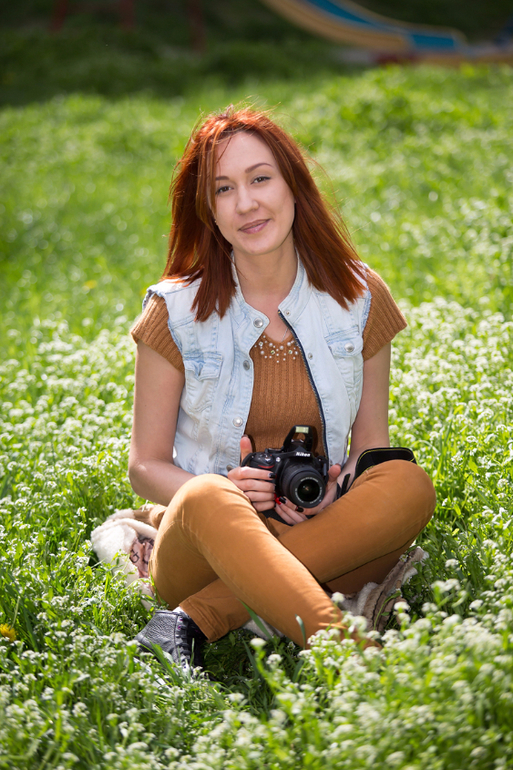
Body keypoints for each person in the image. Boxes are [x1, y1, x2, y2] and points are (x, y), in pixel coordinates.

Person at [129, 106, 436, 672]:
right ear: (208, 210)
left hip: (320, 526)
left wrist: (335, 490)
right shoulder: (174, 312)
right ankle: (356, 663)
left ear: (293, 185)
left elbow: (370, 443)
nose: (246, 203)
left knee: (406, 482)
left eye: (260, 178)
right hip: (204, 544)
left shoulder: (359, 297)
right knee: (207, 495)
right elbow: (144, 466)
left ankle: (194, 618)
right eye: (223, 189)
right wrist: (230, 491)